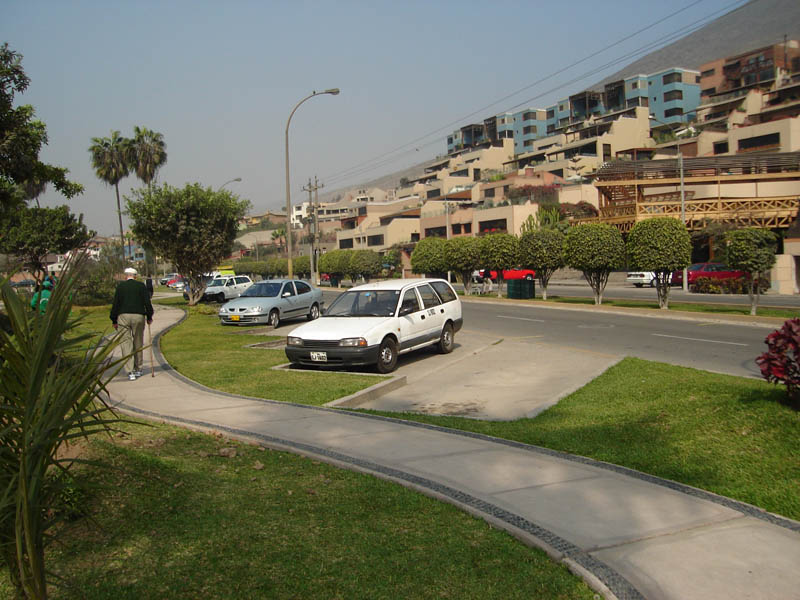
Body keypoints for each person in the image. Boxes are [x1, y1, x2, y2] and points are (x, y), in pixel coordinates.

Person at [110, 267, 154, 381]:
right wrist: (149, 316)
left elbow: (116, 304)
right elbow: (147, 302)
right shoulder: (141, 286)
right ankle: (138, 368)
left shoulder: (120, 287)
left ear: (126, 276)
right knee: (138, 341)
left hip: (123, 316)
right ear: (135, 276)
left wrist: (114, 320)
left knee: (126, 343)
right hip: (138, 316)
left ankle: (130, 371)